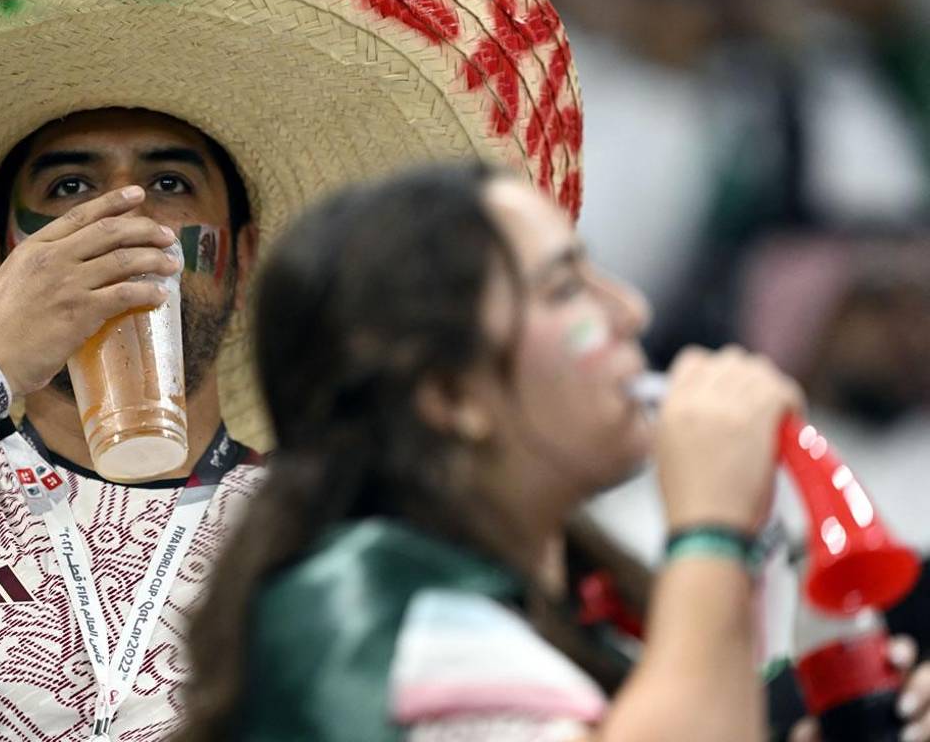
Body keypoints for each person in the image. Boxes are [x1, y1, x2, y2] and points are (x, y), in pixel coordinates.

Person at [0, 0, 585, 738]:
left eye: (169, 187)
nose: (124, 221)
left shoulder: (331, 537)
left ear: (239, 260)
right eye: (68, 191)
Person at [179, 161, 930, 741]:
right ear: (450, 394)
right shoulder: (357, 607)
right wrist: (711, 527)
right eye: (566, 288)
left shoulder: (564, 609)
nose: (630, 310)